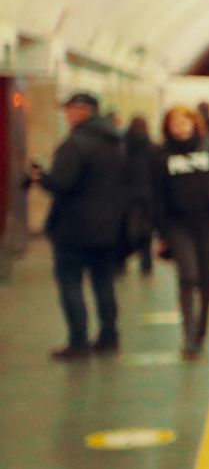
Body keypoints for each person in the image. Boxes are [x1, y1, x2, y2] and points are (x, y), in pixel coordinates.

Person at [27, 92, 126, 360]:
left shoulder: (75, 143)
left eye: (70, 110)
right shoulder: (116, 142)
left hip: (74, 228)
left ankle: (79, 341)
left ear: (83, 111)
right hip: (108, 227)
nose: (67, 116)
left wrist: (41, 177)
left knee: (70, 284)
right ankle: (109, 336)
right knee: (104, 283)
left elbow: (62, 182)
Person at [151, 106, 209, 359]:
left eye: (185, 121)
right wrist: (161, 231)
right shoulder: (162, 155)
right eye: (175, 122)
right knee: (188, 276)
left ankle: (201, 331)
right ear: (168, 126)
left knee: (206, 278)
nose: (180, 127)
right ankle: (188, 335)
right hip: (178, 224)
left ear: (194, 123)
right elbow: (156, 194)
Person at [119, 116, 156, 275]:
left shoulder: (122, 147)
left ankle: (121, 262)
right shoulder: (153, 147)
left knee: (124, 229)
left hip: (126, 195)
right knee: (146, 230)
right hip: (148, 194)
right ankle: (146, 263)